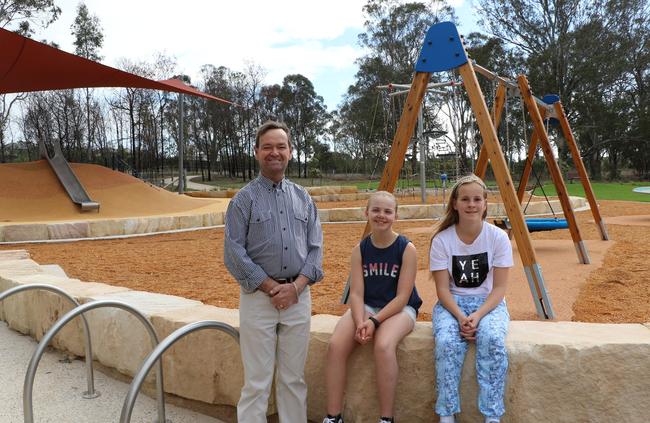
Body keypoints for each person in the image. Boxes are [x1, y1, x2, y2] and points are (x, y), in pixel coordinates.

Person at [224, 120, 323, 423]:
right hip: (258, 301)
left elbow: (316, 248)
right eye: (267, 146)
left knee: (294, 380)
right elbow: (233, 253)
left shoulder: (304, 198)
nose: (274, 152)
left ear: (291, 152)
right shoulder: (243, 200)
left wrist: (296, 287)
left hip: (298, 299)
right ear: (256, 152)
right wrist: (270, 287)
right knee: (257, 382)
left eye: (281, 146)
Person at [323, 191, 422, 423]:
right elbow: (356, 293)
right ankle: (333, 416)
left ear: (396, 216)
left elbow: (402, 297)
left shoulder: (406, 249)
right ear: (366, 213)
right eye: (376, 210)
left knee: (384, 345)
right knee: (336, 345)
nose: (381, 215)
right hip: (367, 306)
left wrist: (374, 322)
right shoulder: (360, 249)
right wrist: (360, 322)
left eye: (388, 211)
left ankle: (386, 418)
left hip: (400, 309)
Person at [429, 174, 513, 423]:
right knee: (446, 342)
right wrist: (461, 316)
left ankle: (492, 415)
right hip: (452, 303)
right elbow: (442, 290)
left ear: (485, 203)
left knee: (493, 338)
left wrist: (477, 316)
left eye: (477, 199)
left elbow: (499, 289)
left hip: (489, 303)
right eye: (465, 199)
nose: (471, 204)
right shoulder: (442, 240)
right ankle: (446, 413)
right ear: (455, 203)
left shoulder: (498, 237)